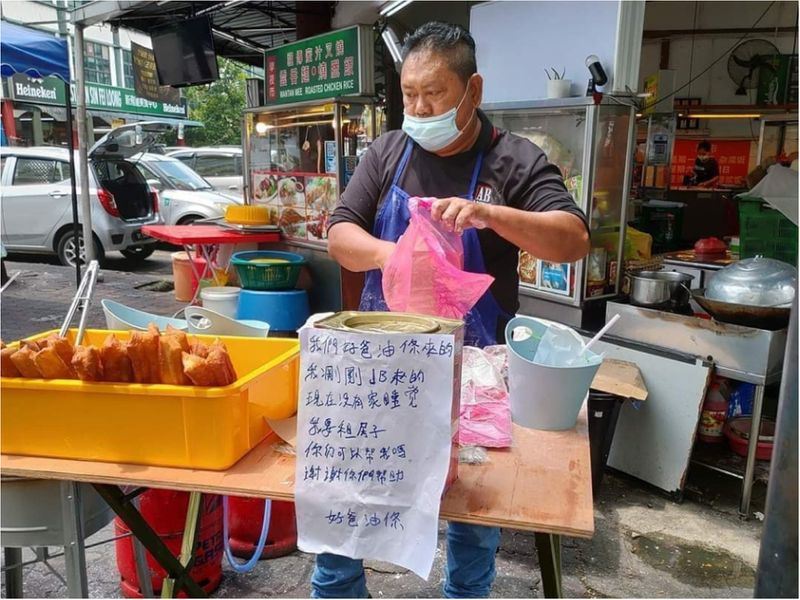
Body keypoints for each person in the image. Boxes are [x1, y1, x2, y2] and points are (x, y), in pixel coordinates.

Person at [321, 21, 590, 598]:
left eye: (433, 94)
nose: (418, 108)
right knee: (347, 499)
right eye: (409, 94)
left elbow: (571, 239)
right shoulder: (389, 152)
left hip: (472, 373)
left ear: (473, 91)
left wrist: (492, 216)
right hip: (381, 367)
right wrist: (398, 256)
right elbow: (339, 232)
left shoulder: (513, 161)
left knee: (474, 513)